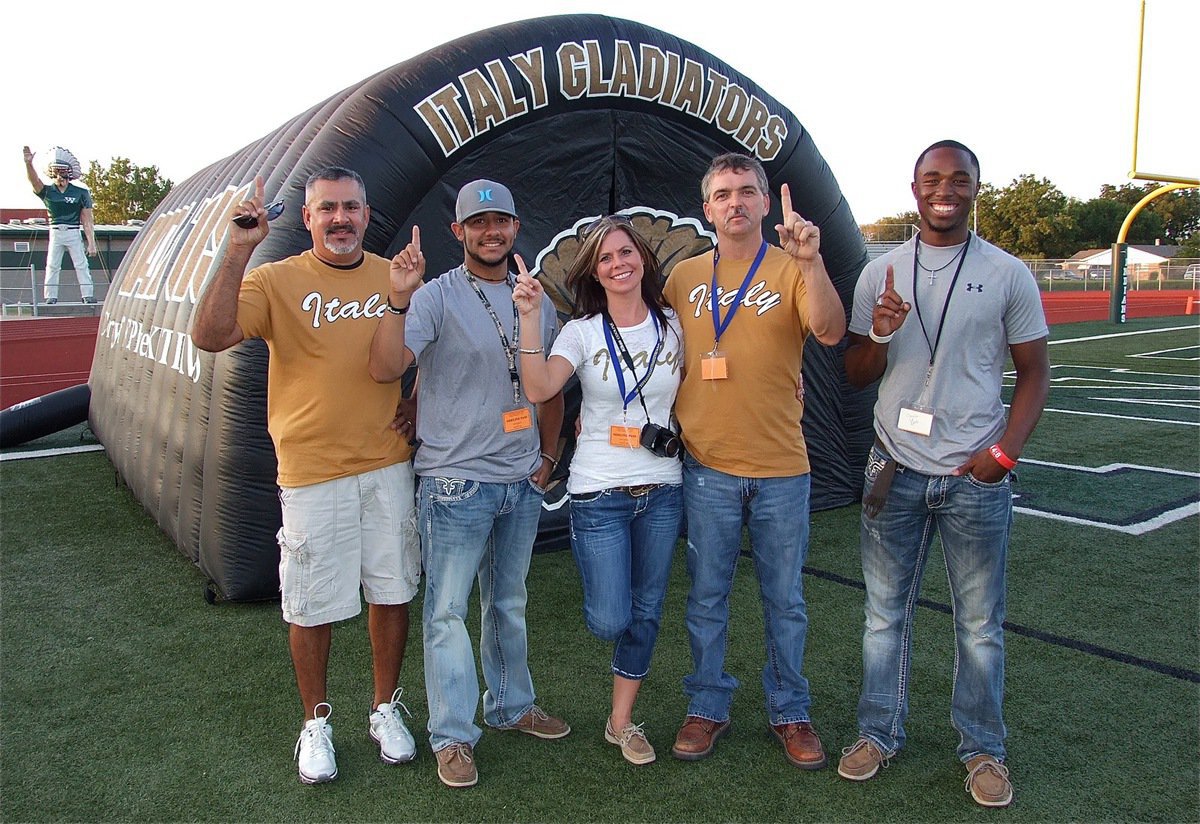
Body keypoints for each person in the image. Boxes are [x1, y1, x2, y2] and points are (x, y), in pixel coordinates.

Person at [191, 167, 422, 785]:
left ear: (367, 214)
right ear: (307, 217)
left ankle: (384, 707)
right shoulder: (275, 278)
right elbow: (210, 334)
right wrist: (238, 246)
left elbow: (430, 347)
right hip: (313, 471)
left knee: (393, 590)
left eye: (351, 206)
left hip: (386, 466)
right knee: (311, 603)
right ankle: (316, 722)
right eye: (328, 209)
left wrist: (417, 401)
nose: (340, 218)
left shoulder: (396, 275)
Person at [838, 140, 1050, 808]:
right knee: (882, 615)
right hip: (893, 466)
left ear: (976, 189)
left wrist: (1005, 455)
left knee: (979, 622)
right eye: (933, 178)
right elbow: (853, 374)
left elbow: (1035, 373)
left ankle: (983, 749)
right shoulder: (882, 273)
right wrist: (877, 333)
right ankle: (878, 733)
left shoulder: (1008, 272)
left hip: (972, 475)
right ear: (914, 187)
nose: (945, 190)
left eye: (959, 179)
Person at [368, 179, 568, 790]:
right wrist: (398, 301)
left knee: (507, 601)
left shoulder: (535, 298)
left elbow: (548, 385)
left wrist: (548, 455)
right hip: (455, 483)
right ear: (458, 232)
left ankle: (511, 705)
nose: (491, 232)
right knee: (448, 612)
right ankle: (452, 736)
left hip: (518, 479)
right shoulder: (433, 298)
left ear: (515, 227)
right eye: (477, 223)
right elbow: (384, 368)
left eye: (500, 221)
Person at [662, 152, 846, 769]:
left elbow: (827, 330)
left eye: (746, 191)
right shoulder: (683, 278)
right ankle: (707, 704)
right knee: (707, 596)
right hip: (708, 466)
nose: (734, 203)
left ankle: (791, 710)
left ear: (766, 202)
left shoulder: (794, 266)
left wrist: (812, 259)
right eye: (722, 194)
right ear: (706, 208)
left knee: (785, 599)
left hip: (782, 467)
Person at [512, 216, 684, 766]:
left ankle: (621, 722)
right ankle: (619, 651)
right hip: (599, 494)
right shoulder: (581, 331)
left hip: (662, 488)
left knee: (649, 610)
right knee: (613, 618)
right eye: (606, 258)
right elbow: (539, 388)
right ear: (595, 271)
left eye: (627, 253)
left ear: (643, 260)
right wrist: (527, 319)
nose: (619, 264)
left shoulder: (675, 325)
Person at [23, 145, 97, 304]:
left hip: (73, 231)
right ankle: (50, 296)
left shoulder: (81, 192)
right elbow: (34, 181)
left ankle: (87, 294)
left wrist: (91, 243)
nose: (60, 177)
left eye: (63, 173)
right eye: (57, 173)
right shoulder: (48, 191)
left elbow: (87, 220)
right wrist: (28, 164)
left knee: (81, 264)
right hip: (55, 231)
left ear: (69, 174)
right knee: (52, 264)